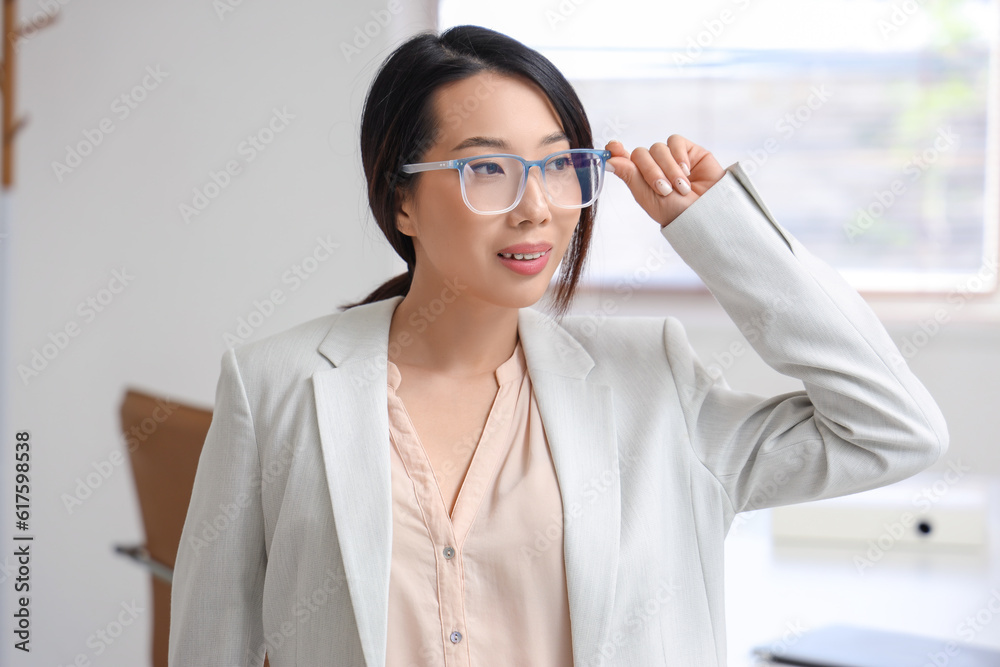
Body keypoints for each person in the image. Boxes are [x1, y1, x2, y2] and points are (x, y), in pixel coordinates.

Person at [168, 24, 949, 667]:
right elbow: (213, 645)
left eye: (557, 165)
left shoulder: (656, 388)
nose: (536, 207)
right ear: (400, 198)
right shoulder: (276, 386)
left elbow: (893, 428)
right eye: (487, 168)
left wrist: (723, 236)